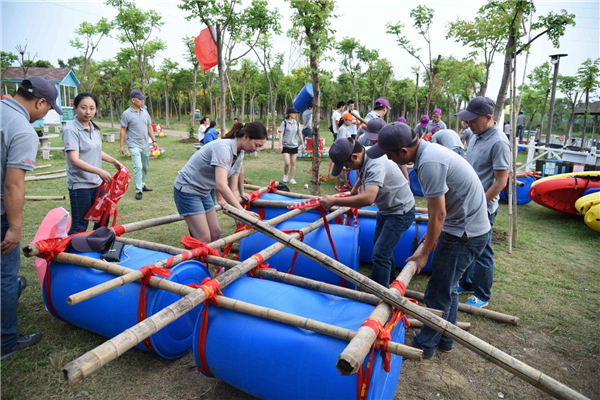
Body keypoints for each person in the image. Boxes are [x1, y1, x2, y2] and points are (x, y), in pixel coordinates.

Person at [366, 120, 491, 359]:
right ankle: (445, 338)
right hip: (463, 227)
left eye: (390, 155)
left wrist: (424, 252)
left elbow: (438, 213)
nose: (389, 160)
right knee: (448, 287)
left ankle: (425, 344)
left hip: (464, 233)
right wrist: (434, 234)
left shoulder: (429, 163)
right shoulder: (429, 153)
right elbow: (442, 212)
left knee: (437, 292)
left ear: (403, 152)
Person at [1, 76, 61, 359]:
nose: (45, 114)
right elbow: (13, 184)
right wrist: (14, 227)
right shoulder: (23, 130)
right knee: (5, 275)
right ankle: (5, 342)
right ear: (40, 102)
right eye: (48, 109)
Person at [321, 133, 416, 287]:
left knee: (381, 252)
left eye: (347, 165)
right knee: (380, 245)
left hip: (400, 211)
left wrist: (334, 200)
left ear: (354, 156)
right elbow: (363, 172)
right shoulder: (366, 152)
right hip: (387, 208)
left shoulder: (375, 163)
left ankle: (381, 291)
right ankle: (386, 279)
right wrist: (356, 187)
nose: (347, 168)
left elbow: (368, 198)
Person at [456, 96, 510, 308]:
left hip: (483, 207)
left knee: (482, 249)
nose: (469, 124)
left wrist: (478, 205)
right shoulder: (476, 134)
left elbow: (501, 182)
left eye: (473, 120)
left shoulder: (498, 142)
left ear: (489, 118)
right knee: (468, 245)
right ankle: (468, 282)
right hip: (468, 203)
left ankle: (482, 294)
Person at [173, 122, 266, 242]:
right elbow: (221, 184)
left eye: (260, 147)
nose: (256, 149)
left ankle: (210, 258)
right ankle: (198, 260)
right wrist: (241, 211)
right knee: (204, 238)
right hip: (188, 189)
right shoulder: (223, 148)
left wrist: (239, 215)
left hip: (204, 190)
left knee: (215, 233)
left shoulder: (239, 153)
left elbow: (233, 189)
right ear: (246, 137)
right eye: (256, 145)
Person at [62, 92, 124, 234]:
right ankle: (65, 255)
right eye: (83, 107)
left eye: (92, 108)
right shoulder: (71, 130)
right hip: (80, 185)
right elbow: (74, 159)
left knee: (103, 219)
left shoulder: (94, 128)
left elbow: (94, 151)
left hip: (97, 184)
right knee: (79, 226)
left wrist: (114, 161)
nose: (88, 112)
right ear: (75, 108)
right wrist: (99, 171)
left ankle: (96, 248)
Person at [119, 89, 157, 201]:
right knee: (138, 166)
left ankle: (142, 184)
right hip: (133, 144)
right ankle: (138, 190)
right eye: (140, 99)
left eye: (142, 99)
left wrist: (154, 140)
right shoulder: (127, 114)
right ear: (133, 100)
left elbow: (149, 126)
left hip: (145, 144)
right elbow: (123, 130)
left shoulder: (145, 112)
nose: (142, 101)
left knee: (145, 166)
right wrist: (121, 146)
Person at [278, 107, 304, 185]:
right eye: (293, 113)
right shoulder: (284, 123)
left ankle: (292, 178)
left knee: (293, 163)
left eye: (295, 113)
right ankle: (285, 175)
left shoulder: (297, 123)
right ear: (289, 114)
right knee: (287, 163)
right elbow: (281, 135)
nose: (295, 114)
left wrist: (303, 143)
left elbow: (299, 133)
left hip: (294, 145)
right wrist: (280, 145)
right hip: (286, 145)